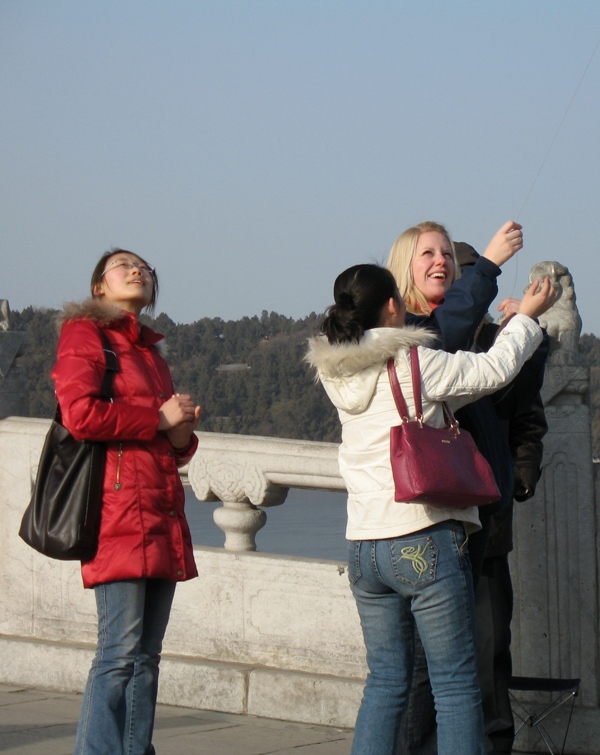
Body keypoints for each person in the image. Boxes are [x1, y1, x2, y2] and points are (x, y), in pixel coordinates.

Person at [305, 263, 555, 755]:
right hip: (420, 537)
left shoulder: (337, 374)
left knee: (386, 682)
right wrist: (525, 318)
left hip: (364, 548)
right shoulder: (413, 363)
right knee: (456, 685)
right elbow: (494, 370)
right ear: (394, 306)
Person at [387, 223, 549, 755]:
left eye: (450, 260)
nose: (442, 264)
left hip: (482, 522)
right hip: (428, 525)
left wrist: (521, 335)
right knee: (426, 674)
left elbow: (519, 407)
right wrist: (493, 268)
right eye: (428, 256)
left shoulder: (473, 336)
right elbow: (441, 335)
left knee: (482, 659)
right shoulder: (409, 337)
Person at [51, 248, 201, 755]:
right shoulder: (85, 334)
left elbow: (170, 443)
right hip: (116, 513)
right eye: (122, 266)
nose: (136, 270)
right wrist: (158, 420)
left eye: (144, 267)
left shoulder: (151, 354)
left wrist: (180, 433)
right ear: (99, 287)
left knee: (146, 658)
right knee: (117, 654)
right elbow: (80, 415)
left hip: (159, 509)